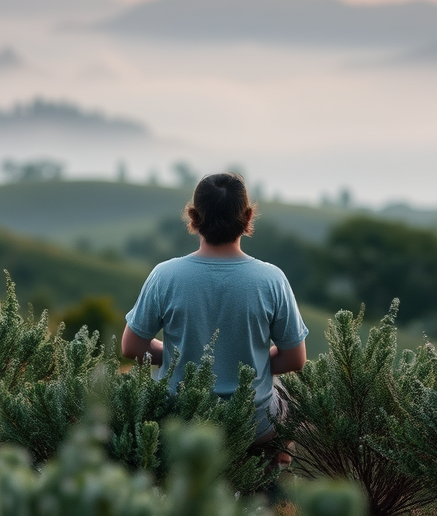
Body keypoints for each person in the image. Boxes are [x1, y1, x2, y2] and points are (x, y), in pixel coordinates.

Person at [121, 172, 308, 447]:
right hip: (251, 424)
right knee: (284, 396)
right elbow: (294, 359)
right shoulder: (272, 279)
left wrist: (175, 357)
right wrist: (248, 365)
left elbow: (132, 349)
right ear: (247, 218)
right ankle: (272, 473)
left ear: (194, 218)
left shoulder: (165, 276)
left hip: (181, 423)